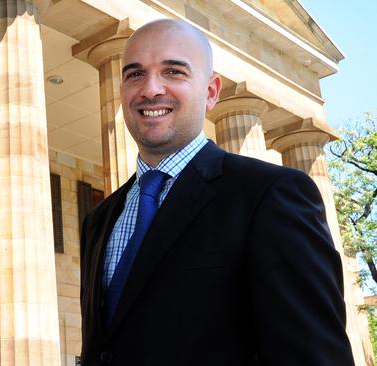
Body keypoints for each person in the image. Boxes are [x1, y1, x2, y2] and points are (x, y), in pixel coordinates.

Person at [79, 19, 354, 365]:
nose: (150, 89)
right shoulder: (99, 220)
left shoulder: (270, 195)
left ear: (210, 92)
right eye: (135, 74)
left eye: (173, 72)